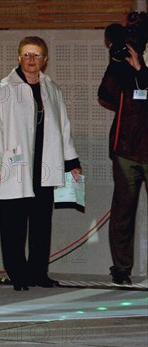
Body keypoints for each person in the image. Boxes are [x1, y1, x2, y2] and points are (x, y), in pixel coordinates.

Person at [0, 36, 82, 291]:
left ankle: (39, 272)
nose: (31, 60)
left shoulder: (52, 89)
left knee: (41, 224)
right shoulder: (4, 88)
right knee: (13, 224)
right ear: (18, 57)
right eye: (26, 55)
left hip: (44, 167)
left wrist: (72, 162)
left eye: (36, 55)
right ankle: (18, 274)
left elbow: (63, 129)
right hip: (14, 167)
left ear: (45, 60)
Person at [98, 42, 147, 285]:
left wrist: (141, 70)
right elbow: (106, 95)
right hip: (126, 150)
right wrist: (116, 63)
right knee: (123, 212)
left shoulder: (139, 66)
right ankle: (121, 268)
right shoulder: (125, 62)